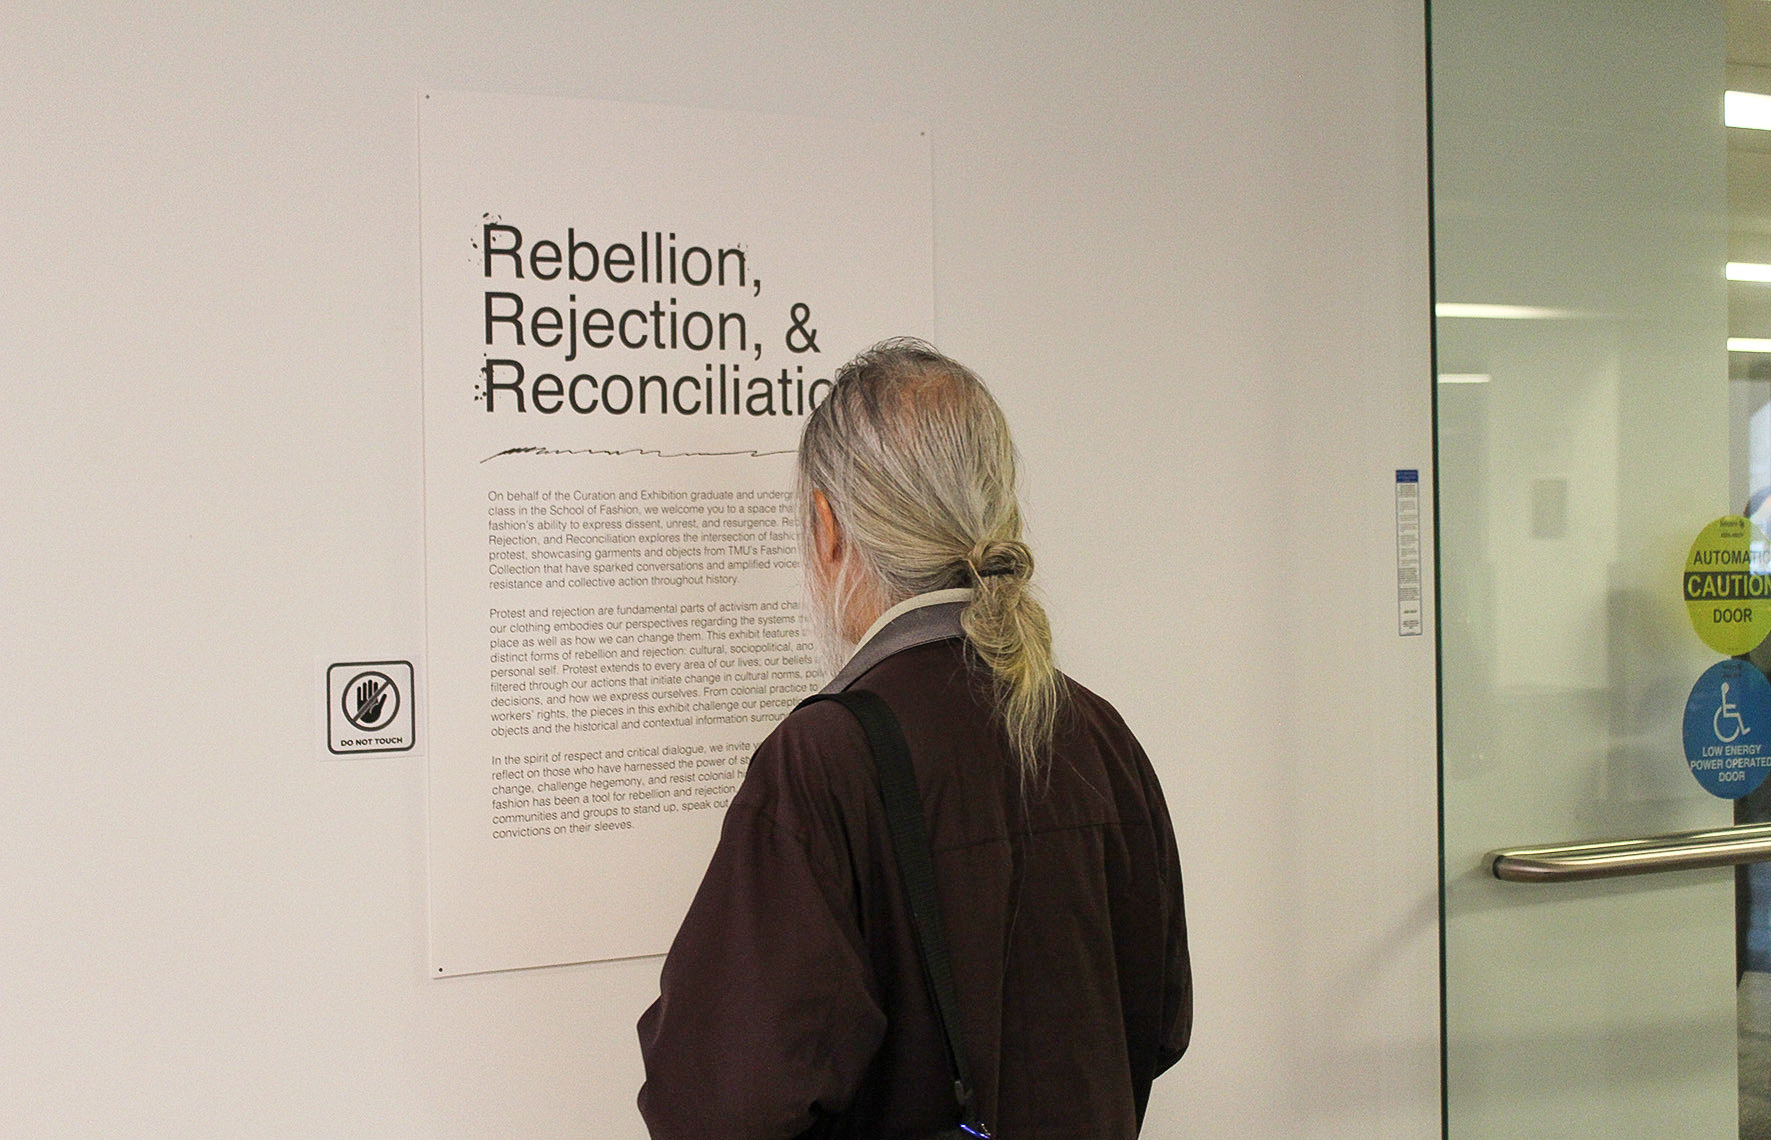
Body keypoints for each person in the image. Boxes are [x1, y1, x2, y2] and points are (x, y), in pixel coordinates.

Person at [636, 339, 1191, 1138]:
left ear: (826, 528)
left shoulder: (823, 760)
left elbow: (720, 1104)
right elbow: (1157, 1027)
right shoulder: (1099, 736)